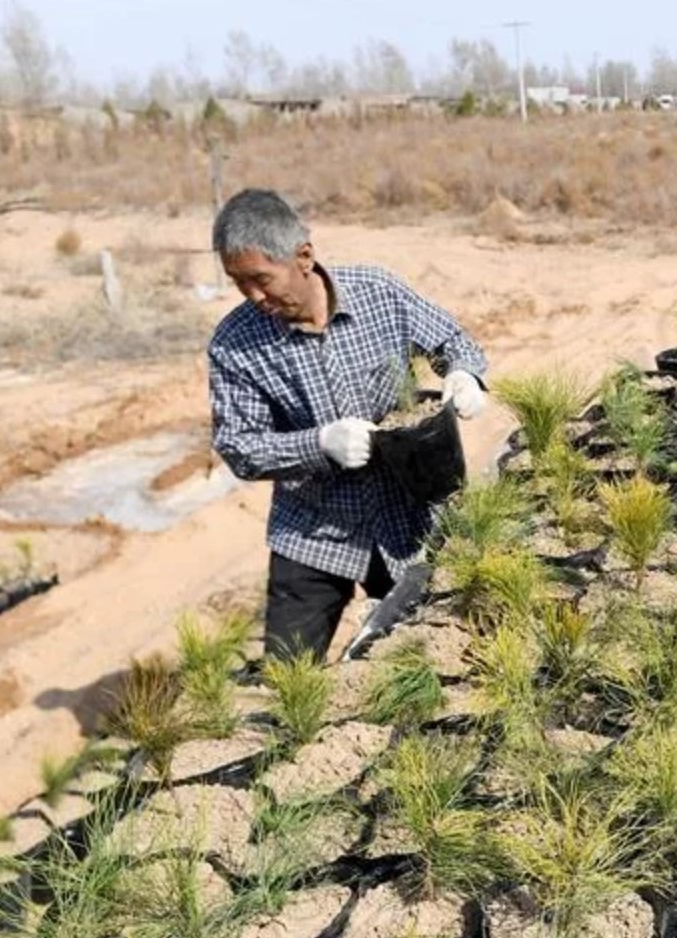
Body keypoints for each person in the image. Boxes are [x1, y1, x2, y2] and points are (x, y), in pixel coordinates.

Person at [207, 188, 488, 663]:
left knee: (433, 652)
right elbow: (239, 447)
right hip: (313, 530)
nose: (253, 297)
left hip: (409, 516)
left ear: (304, 257)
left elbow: (453, 340)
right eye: (238, 283)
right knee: (287, 679)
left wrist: (464, 373)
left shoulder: (379, 293)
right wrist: (318, 444)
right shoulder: (234, 344)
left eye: (261, 279)